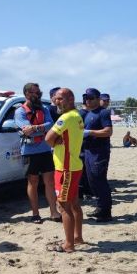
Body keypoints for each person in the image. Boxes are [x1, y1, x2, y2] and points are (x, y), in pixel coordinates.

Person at [15, 83, 61, 224]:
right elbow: (25, 129)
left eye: (38, 92)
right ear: (27, 94)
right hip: (29, 151)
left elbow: (50, 124)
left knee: (49, 181)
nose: (37, 94)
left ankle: (54, 212)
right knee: (33, 182)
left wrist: (35, 128)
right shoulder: (20, 111)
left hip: (45, 149)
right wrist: (40, 128)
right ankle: (35, 214)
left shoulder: (44, 108)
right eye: (34, 92)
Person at [45, 88, 85, 252]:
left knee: (63, 206)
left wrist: (54, 142)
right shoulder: (77, 115)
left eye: (60, 98)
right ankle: (78, 237)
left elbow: (48, 138)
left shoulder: (66, 117)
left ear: (70, 99)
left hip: (65, 168)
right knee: (74, 203)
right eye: (55, 99)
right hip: (73, 165)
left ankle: (69, 244)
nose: (56, 101)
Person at [81, 88, 113, 222]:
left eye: (91, 97)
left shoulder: (103, 112)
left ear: (98, 98)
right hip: (88, 151)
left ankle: (105, 211)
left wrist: (90, 132)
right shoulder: (87, 114)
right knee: (92, 181)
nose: (88, 100)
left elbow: (108, 131)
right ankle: (100, 207)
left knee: (99, 180)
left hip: (99, 152)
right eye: (86, 97)